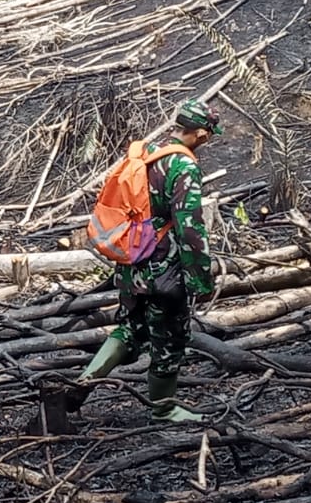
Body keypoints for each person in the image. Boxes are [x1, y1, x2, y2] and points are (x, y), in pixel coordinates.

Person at [80, 98, 222, 422]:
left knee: (131, 328)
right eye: (209, 134)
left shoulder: (147, 155)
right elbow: (190, 227)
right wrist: (200, 278)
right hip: (165, 270)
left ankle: (82, 382)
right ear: (200, 133)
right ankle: (165, 408)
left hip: (134, 263)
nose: (209, 139)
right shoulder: (183, 167)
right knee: (169, 335)